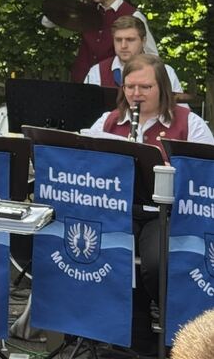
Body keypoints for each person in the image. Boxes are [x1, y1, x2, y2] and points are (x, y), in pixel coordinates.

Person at [87, 54, 213, 355]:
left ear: (162, 88)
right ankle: (130, 337)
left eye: (145, 87)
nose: (136, 94)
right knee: (105, 254)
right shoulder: (108, 121)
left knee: (157, 262)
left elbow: (206, 172)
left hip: (167, 214)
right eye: (130, 87)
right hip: (118, 211)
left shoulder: (188, 122)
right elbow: (87, 162)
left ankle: (174, 333)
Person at [43, 0, 157, 81]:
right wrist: (67, 7)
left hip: (112, 85)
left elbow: (152, 55)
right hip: (80, 81)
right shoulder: (86, 11)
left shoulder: (134, 16)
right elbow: (46, 22)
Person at [84, 15, 183, 93]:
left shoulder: (165, 72)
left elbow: (181, 113)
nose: (123, 46)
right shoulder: (97, 72)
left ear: (143, 41)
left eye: (130, 40)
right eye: (118, 40)